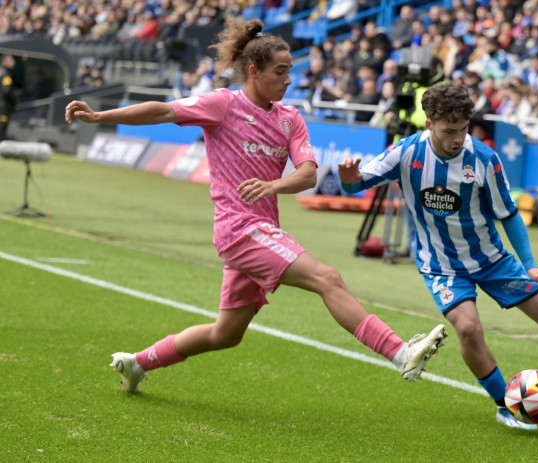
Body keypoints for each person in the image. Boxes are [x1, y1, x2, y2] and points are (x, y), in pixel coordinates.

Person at [64, 19, 447, 394]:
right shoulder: (222, 105)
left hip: (262, 231)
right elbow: (163, 110)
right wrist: (100, 116)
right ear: (253, 71)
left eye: (290, 71)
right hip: (238, 229)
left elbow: (309, 174)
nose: (288, 80)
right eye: (280, 72)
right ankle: (400, 352)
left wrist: (272, 185)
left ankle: (136, 362)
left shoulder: (290, 119)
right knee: (326, 278)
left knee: (225, 334)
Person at [337, 82, 538, 431]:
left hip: (492, 260)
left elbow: (508, 215)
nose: (458, 138)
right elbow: (358, 183)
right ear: (429, 123)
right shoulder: (406, 153)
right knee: (468, 329)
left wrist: (532, 266)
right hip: (441, 266)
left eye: (463, 129)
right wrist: (349, 180)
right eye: (449, 130)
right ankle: (505, 405)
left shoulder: (484, 159)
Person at [0, 54, 17, 141]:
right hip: (3, 106)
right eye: (10, 60)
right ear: (3, 61)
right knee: (2, 127)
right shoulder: (6, 74)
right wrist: (14, 96)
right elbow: (6, 90)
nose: (13, 62)